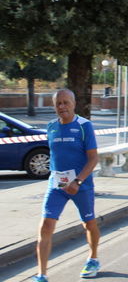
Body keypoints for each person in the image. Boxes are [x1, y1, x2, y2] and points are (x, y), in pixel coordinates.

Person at [32, 89, 100, 282]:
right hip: (57, 186)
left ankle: (93, 258)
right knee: (45, 226)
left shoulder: (84, 126)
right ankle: (41, 274)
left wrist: (78, 181)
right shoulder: (51, 126)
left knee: (89, 223)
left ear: (73, 103)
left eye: (65, 102)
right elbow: (56, 155)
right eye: (58, 103)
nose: (62, 106)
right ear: (54, 106)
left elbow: (93, 158)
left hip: (81, 185)